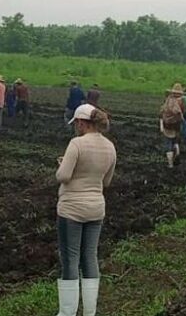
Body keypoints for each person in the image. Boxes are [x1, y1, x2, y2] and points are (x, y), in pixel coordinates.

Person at [55, 103, 116, 316]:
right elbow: (106, 181)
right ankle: (90, 312)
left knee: (70, 259)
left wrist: (63, 165)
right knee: (90, 256)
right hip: (96, 208)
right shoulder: (110, 147)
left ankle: (67, 313)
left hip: (72, 209)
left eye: (76, 124)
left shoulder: (76, 144)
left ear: (82, 123)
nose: (75, 127)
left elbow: (63, 176)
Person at [159, 84, 186, 168]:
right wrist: (182, 120)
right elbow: (181, 113)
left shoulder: (168, 101)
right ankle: (177, 152)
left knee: (168, 143)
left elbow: (162, 111)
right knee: (175, 140)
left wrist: (162, 122)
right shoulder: (181, 102)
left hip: (167, 124)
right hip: (176, 124)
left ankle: (170, 164)